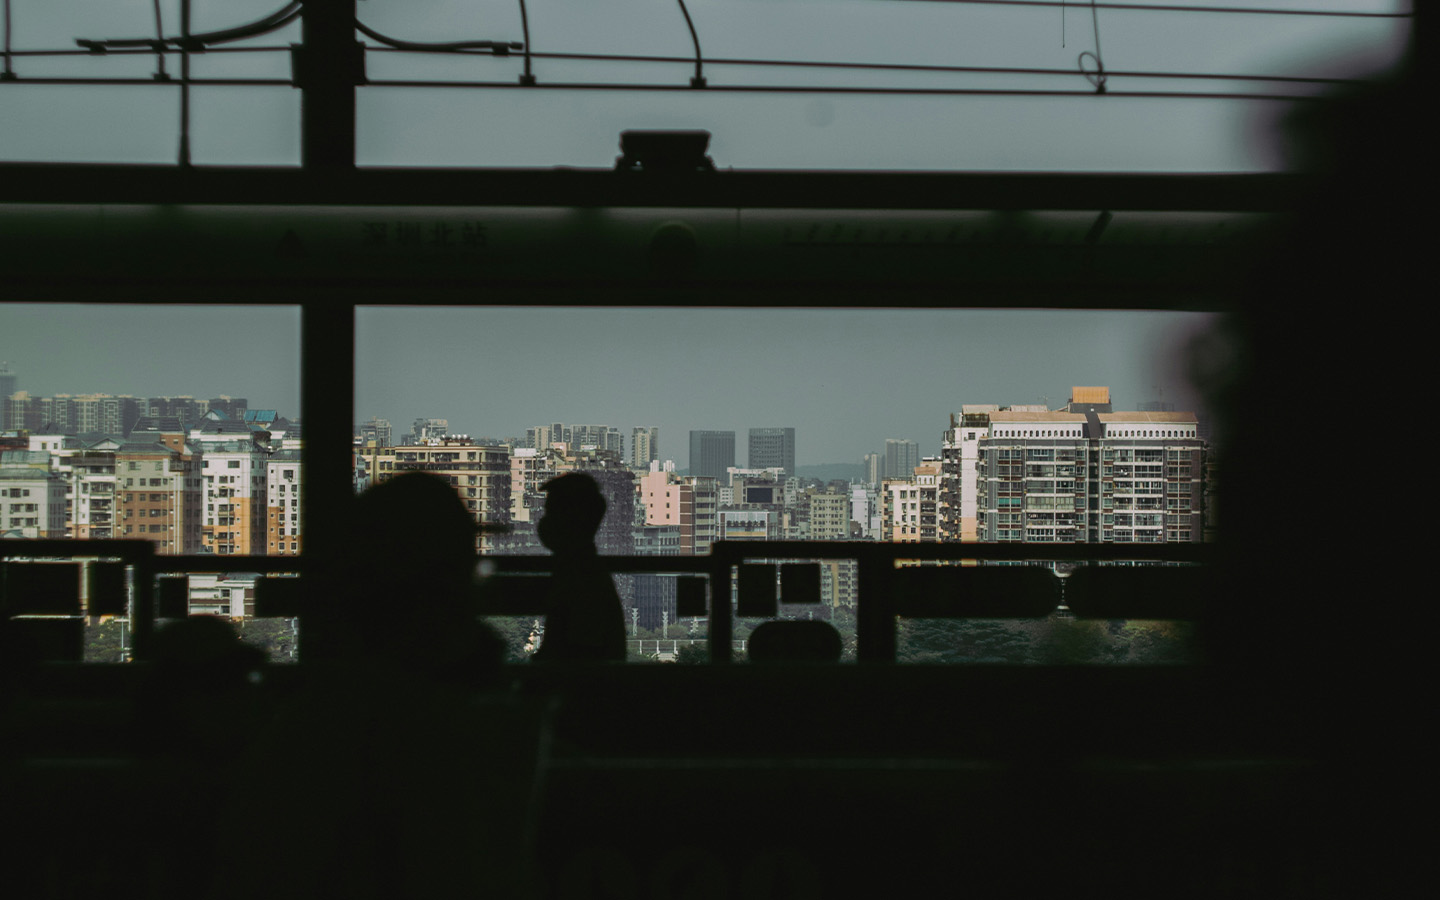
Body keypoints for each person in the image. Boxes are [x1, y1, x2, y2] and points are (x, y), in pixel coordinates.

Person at [531, 473, 626, 663]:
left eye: (551, 513)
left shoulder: (583, 577)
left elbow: (579, 656)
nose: (544, 522)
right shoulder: (578, 568)